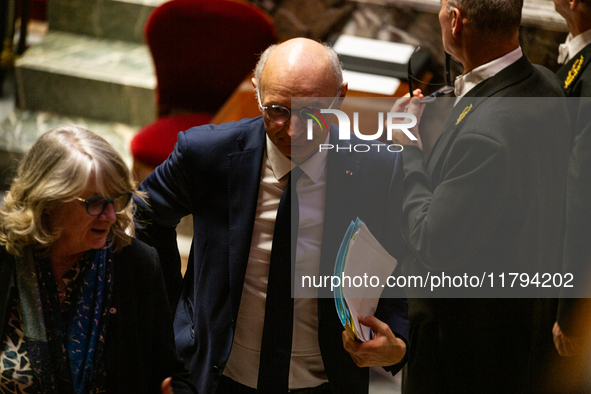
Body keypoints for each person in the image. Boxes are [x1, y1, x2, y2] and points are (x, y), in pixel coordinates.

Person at [135, 38, 409, 394]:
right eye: (277, 110)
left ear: (340, 96)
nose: (293, 131)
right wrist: (175, 314)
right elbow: (142, 215)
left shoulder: (380, 168)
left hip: (326, 381)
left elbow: (404, 261)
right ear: (257, 91)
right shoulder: (206, 154)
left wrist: (397, 340)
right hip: (219, 378)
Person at [389, 0, 571, 392]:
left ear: (455, 21)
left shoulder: (483, 138)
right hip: (526, 321)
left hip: (463, 352)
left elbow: (429, 239)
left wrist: (408, 148)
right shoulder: (548, 84)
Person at [0, 125, 195, 394]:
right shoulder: (6, 256)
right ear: (48, 200)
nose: (111, 216)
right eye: (94, 202)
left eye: (116, 200)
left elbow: (169, 371)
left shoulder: (137, 265)